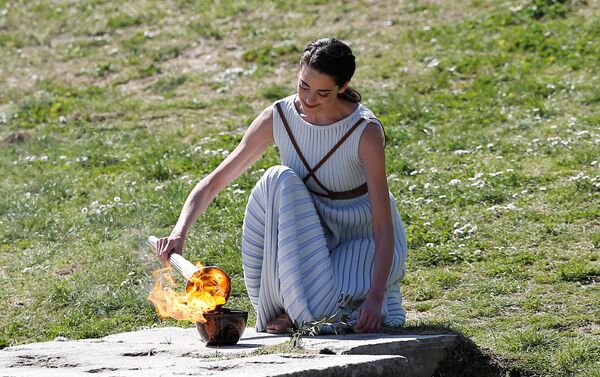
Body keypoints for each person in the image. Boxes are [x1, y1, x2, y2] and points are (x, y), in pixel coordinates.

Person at [155, 37, 407, 334]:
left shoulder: (365, 131)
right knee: (277, 178)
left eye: (322, 92)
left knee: (324, 315)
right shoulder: (279, 117)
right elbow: (214, 182)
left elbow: (382, 226)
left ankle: (314, 305)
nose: (309, 99)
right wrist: (178, 232)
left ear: (343, 86)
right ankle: (290, 305)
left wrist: (376, 297)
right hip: (305, 234)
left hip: (361, 239)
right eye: (303, 86)